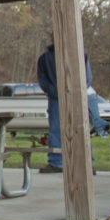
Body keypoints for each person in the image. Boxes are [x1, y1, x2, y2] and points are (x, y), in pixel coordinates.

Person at [36, 39, 96, 174]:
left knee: (80, 129)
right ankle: (58, 162)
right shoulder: (46, 58)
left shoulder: (80, 55)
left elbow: (86, 78)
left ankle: (86, 163)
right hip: (57, 99)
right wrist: (56, 92)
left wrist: (75, 91)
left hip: (75, 98)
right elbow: (43, 79)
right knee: (57, 130)